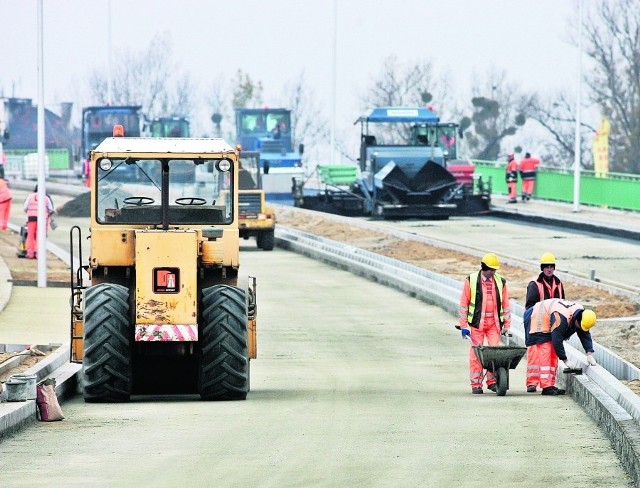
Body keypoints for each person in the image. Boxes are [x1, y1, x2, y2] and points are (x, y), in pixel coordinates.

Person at [458, 252, 512, 394]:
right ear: (484, 267)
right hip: (477, 324)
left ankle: (492, 382)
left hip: (494, 324)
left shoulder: (501, 282)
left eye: (495, 270)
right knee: (477, 354)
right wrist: (464, 326)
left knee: (494, 353)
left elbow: (506, 305)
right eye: (491, 269)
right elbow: (464, 304)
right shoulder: (471, 280)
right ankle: (476, 384)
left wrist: (507, 325)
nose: (493, 272)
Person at [524, 299, 597, 395]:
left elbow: (584, 334)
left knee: (553, 352)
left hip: (546, 315)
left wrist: (589, 352)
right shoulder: (561, 318)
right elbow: (557, 341)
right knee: (546, 351)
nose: (579, 328)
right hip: (539, 318)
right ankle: (546, 387)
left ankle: (549, 385)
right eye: (580, 326)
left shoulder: (581, 315)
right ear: (577, 320)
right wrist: (565, 360)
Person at [524, 252, 566, 392]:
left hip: (553, 325)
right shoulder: (535, 285)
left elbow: (562, 304)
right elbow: (529, 307)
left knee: (552, 354)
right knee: (535, 354)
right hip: (537, 324)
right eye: (546, 266)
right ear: (542, 268)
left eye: (551, 266)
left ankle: (548, 384)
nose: (549, 269)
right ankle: (532, 382)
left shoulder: (558, 284)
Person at [23, 185, 55, 259]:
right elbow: (51, 209)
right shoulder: (46, 198)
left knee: (30, 235)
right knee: (40, 236)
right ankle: (38, 253)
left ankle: (30, 253)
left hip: (31, 218)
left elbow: (25, 207)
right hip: (42, 219)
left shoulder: (30, 196)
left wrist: (30, 212)